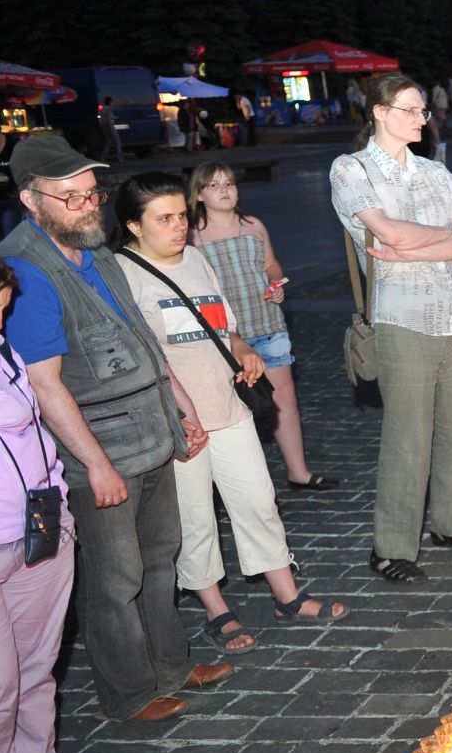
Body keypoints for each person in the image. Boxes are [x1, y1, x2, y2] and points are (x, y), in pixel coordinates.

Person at [0, 135, 231, 722]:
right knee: (114, 578)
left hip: (151, 430)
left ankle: (171, 666)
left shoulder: (96, 249)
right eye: (71, 196)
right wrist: (95, 464)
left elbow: (143, 341)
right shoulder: (25, 269)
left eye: (92, 192)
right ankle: (130, 694)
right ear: (31, 199)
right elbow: (46, 386)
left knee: (161, 557)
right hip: (97, 449)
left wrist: (183, 407)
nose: (88, 204)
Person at [114, 173, 348, 653]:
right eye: (164, 219)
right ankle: (216, 607)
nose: (179, 226)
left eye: (181, 215)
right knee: (196, 516)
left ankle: (286, 595)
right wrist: (178, 413)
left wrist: (242, 350)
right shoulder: (125, 275)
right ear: (134, 226)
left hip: (226, 405)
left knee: (258, 499)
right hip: (178, 420)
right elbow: (141, 359)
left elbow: (226, 328)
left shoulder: (197, 258)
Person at [329, 74, 452, 586]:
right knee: (408, 435)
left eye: (423, 111)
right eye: (408, 110)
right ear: (379, 112)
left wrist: (422, 243)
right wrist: (443, 239)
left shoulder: (435, 172)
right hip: (400, 315)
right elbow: (386, 232)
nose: (420, 119)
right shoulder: (351, 169)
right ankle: (391, 548)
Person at [0, 259, 81, 753]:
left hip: (39, 525)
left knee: (37, 664)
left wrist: (58, 496)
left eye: (1, 302)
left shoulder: (8, 353)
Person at [188, 163, 334, 492]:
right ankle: (238, 484)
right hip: (226, 335)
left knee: (283, 398)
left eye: (229, 183)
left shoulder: (252, 226)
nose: (224, 190)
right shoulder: (193, 236)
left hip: (267, 325)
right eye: (214, 185)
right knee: (231, 409)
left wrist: (275, 282)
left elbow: (272, 265)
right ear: (199, 194)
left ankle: (299, 471)